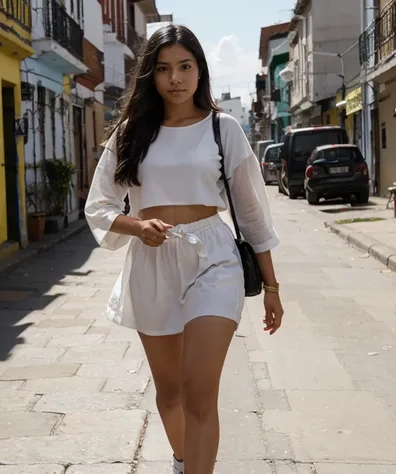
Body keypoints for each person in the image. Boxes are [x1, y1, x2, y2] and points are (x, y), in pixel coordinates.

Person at [85, 24, 284, 474]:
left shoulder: (223, 128)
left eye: (185, 66)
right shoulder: (131, 134)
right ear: (151, 76)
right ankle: (183, 461)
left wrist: (271, 286)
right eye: (163, 69)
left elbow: (252, 216)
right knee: (169, 393)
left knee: (198, 391)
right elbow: (98, 206)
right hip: (152, 261)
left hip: (213, 258)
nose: (175, 78)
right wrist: (137, 226)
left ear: (200, 70)